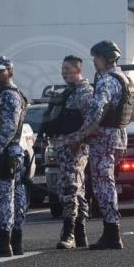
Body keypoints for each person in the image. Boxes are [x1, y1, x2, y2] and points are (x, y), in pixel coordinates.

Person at [66, 40, 134, 250]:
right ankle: (110, 231)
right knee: (107, 182)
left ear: (105, 58)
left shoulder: (106, 81)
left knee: (103, 184)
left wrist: (82, 134)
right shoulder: (124, 78)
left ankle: (112, 232)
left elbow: (97, 108)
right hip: (118, 136)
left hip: (104, 137)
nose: (94, 62)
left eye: (96, 57)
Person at [43, 55, 93, 249]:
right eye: (62, 70)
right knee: (74, 189)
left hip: (76, 148)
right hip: (63, 146)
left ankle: (70, 233)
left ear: (78, 70)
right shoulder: (67, 93)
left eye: (68, 70)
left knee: (71, 188)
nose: (64, 73)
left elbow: (92, 120)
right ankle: (80, 234)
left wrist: (80, 140)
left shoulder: (84, 93)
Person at [0, 56, 28, 258]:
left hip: (7, 152)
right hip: (11, 152)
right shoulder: (2, 93)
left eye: (1, 71)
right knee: (15, 197)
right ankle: (15, 241)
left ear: (10, 72)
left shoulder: (9, 95)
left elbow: (10, 127)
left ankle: (5, 241)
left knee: (6, 198)